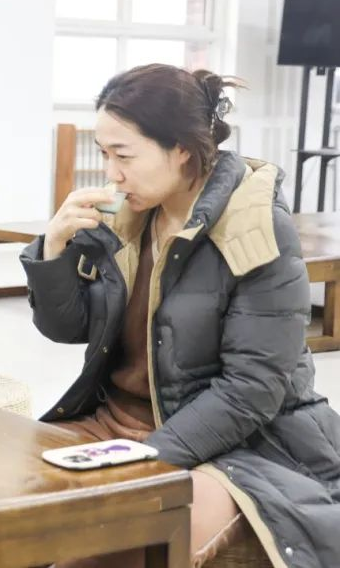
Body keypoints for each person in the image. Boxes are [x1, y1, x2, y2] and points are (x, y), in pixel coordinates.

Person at [20, 64, 340, 567]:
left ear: (182, 149)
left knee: (117, 537)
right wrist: (53, 250)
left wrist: (148, 457)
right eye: (105, 154)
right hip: (116, 424)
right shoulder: (129, 217)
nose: (111, 173)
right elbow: (69, 328)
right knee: (1, 506)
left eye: (123, 155)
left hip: (240, 445)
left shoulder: (256, 227)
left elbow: (252, 390)